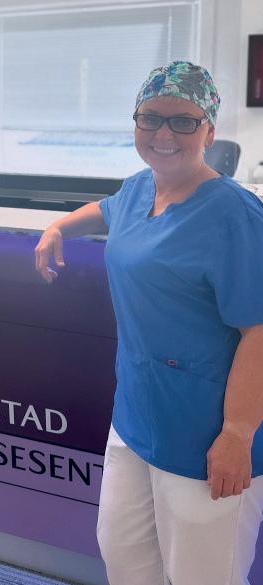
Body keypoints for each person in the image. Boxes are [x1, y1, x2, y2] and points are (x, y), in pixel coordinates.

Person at [35, 61, 263, 585]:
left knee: (203, 575)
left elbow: (259, 331)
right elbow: (106, 210)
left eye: (183, 121)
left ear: (209, 130)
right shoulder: (141, 188)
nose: (164, 134)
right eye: (151, 118)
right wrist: (59, 227)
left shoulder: (236, 216)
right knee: (125, 559)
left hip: (205, 431)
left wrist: (238, 432)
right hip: (136, 417)